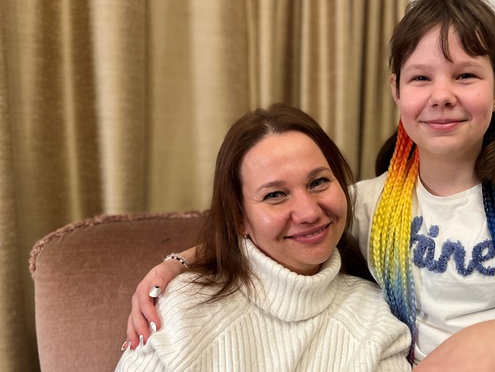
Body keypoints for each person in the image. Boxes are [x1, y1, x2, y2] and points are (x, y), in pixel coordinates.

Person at [124, 0, 495, 371]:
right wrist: (176, 264)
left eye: (466, 75)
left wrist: (487, 344)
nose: (443, 96)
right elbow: (281, 226)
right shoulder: (370, 203)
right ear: (396, 90)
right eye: (421, 77)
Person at [116, 104, 412, 371]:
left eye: (318, 182)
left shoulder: (376, 320)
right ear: (239, 217)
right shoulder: (181, 310)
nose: (308, 212)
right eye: (275, 195)